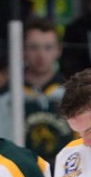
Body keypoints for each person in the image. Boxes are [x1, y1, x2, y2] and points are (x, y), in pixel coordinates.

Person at [21, 17, 72, 162]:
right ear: (23, 49)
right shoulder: (10, 90)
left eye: (48, 47)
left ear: (59, 50)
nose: (41, 55)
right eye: (33, 47)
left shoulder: (72, 90)